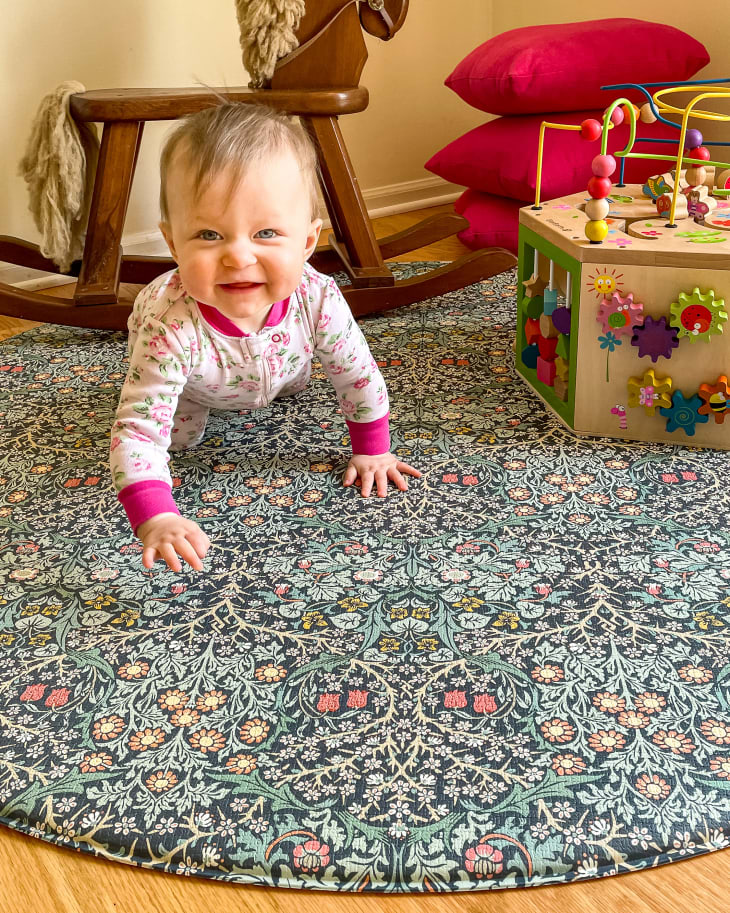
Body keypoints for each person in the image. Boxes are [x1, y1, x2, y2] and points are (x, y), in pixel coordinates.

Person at [109, 102, 420, 573]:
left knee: (302, 376)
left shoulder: (318, 297)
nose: (237, 256)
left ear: (308, 242)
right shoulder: (169, 325)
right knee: (178, 441)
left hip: (284, 363)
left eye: (267, 232)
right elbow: (136, 432)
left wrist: (372, 449)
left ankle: (282, 376)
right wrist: (157, 516)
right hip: (195, 384)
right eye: (209, 234)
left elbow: (358, 375)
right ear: (174, 245)